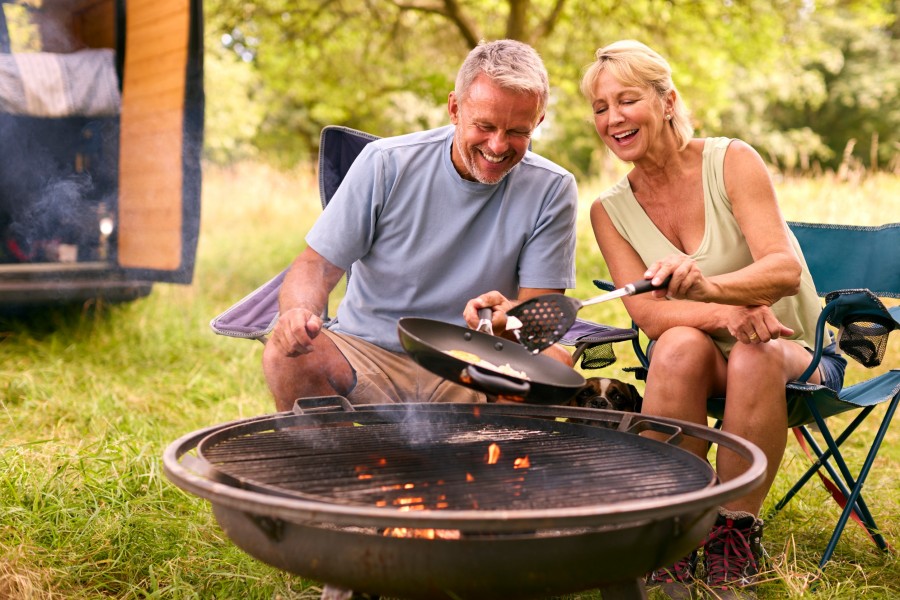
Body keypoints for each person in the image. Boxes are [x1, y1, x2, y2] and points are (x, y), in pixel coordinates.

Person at [579, 40, 846, 599]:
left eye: (627, 100)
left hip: (794, 352)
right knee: (676, 344)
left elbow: (783, 270)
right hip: (700, 362)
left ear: (667, 99)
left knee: (753, 351)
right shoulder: (608, 210)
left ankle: (734, 534)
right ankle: (674, 531)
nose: (613, 118)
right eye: (600, 107)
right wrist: (724, 312)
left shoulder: (730, 160)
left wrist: (710, 286)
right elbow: (649, 314)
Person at [263, 39, 578, 412]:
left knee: (555, 366)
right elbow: (316, 265)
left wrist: (504, 320)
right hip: (368, 354)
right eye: (485, 125)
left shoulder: (552, 189)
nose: (497, 145)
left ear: (537, 122)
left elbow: (537, 324)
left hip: (471, 366)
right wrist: (298, 314)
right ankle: (332, 463)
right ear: (455, 108)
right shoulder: (386, 163)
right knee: (286, 355)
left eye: (517, 132)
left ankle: (487, 467)